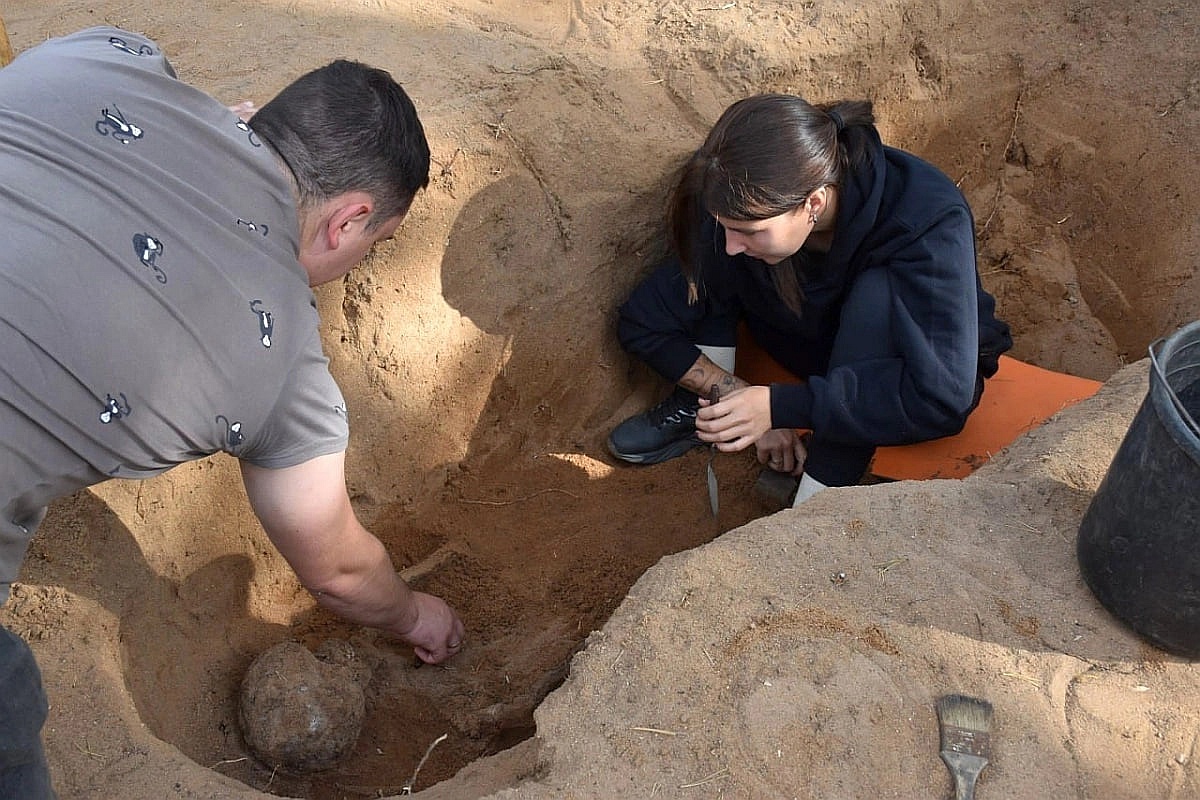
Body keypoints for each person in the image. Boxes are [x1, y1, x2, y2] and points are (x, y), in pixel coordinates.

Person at [0, 27, 465, 797]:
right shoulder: (282, 361)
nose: (359, 260)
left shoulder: (98, 53)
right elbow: (342, 571)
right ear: (347, 220)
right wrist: (415, 616)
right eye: (376, 244)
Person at [609, 94, 1013, 504]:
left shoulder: (926, 216)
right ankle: (704, 409)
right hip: (805, 344)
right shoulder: (741, 195)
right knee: (723, 256)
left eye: (749, 230)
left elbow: (941, 399)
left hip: (890, 367)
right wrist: (738, 399)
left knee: (875, 300)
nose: (732, 244)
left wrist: (781, 406)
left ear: (813, 204)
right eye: (729, 227)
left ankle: (817, 499)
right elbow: (643, 320)